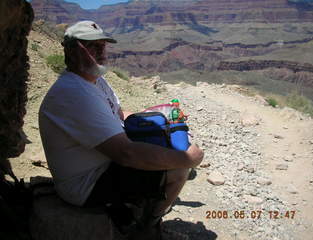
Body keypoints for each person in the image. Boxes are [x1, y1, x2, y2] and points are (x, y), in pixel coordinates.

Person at [38, 20, 204, 239]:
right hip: (86, 184)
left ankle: (139, 203)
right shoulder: (72, 93)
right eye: (91, 46)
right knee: (179, 169)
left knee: (170, 142)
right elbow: (126, 154)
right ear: (71, 50)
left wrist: (159, 120)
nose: (100, 51)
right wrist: (186, 159)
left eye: (102, 45)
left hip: (104, 164)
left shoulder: (95, 81)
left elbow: (119, 114)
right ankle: (148, 226)